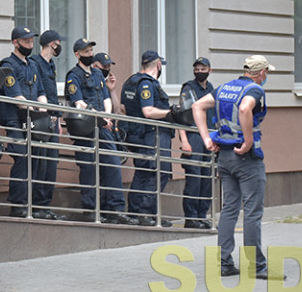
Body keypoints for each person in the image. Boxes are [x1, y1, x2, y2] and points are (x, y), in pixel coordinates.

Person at [192, 55, 283, 280]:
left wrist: (206, 139)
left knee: (230, 208)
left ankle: (224, 263)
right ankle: (257, 267)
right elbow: (244, 109)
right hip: (246, 158)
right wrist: (248, 140)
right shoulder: (254, 90)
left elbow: (197, 106)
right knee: (252, 211)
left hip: (224, 156)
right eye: (266, 73)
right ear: (261, 73)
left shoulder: (224, 88)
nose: (266, 76)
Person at [65, 38, 133, 225]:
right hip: (86, 128)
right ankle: (90, 210)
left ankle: (115, 209)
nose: (90, 54)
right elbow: (79, 102)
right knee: (89, 169)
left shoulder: (97, 74)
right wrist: (101, 118)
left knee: (112, 165)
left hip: (103, 127)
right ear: (77, 54)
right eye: (86, 52)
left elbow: (105, 98)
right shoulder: (73, 75)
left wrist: (107, 116)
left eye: (91, 51)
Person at [0, 27, 48, 217]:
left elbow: (41, 91)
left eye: (31, 41)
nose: (30, 45)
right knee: (22, 156)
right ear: (15, 43)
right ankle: (18, 205)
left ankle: (30, 204)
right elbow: (16, 97)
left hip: (33, 119)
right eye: (26, 41)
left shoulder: (32, 65)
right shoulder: (8, 65)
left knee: (35, 158)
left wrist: (43, 108)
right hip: (14, 119)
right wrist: (37, 110)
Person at [123, 50, 177, 227]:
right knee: (157, 173)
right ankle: (146, 214)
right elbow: (148, 112)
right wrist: (171, 114)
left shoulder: (131, 81)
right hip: (151, 134)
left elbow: (123, 108)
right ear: (159, 65)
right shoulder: (147, 84)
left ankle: (137, 212)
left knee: (143, 173)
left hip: (138, 134)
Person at [29, 29, 67, 220]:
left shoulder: (51, 65)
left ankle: (45, 206)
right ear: (53, 44)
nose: (60, 47)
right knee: (41, 163)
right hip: (42, 120)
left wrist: (58, 118)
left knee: (51, 163)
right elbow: (37, 91)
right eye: (59, 43)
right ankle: (37, 206)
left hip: (52, 120)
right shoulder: (35, 63)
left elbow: (52, 95)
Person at [178, 57, 215, 227]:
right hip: (194, 138)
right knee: (194, 179)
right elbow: (181, 117)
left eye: (203, 68)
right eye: (197, 69)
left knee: (207, 178)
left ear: (209, 70)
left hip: (209, 138)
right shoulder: (188, 88)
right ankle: (191, 218)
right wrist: (184, 141)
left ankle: (202, 215)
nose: (200, 71)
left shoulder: (211, 88)